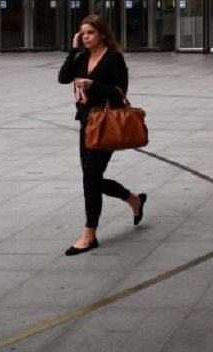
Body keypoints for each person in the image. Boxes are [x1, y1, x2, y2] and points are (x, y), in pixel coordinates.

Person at [57, 14, 147, 256]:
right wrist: (72, 49)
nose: (86, 36)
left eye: (90, 32)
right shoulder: (82, 56)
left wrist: (93, 86)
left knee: (91, 178)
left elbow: (120, 93)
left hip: (105, 123)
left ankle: (89, 233)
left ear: (102, 34)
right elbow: (63, 78)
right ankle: (133, 199)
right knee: (92, 177)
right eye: (83, 32)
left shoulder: (113, 58)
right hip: (86, 122)